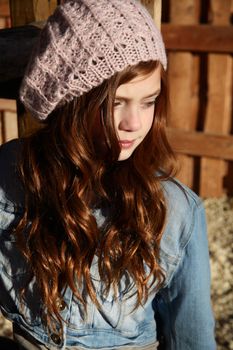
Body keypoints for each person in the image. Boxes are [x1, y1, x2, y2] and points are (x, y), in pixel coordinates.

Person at [0, 0, 216, 349]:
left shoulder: (176, 210)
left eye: (149, 102)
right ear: (71, 101)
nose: (134, 123)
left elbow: (192, 339)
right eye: (115, 102)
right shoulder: (13, 174)